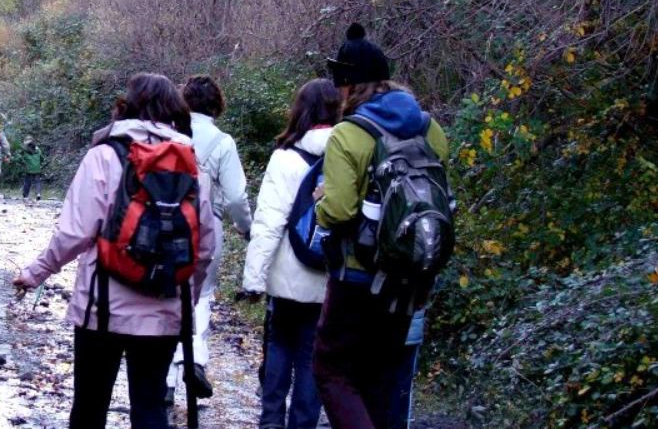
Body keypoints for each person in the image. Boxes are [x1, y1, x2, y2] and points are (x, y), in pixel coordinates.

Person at [13, 73, 217, 429]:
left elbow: (75, 233)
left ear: (128, 104)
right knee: (151, 408)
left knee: (90, 407)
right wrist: (185, 298)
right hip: (163, 311)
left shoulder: (105, 155)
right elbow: (204, 247)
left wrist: (35, 273)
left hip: (101, 308)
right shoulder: (190, 164)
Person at [313, 23, 449, 428]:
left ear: (347, 85)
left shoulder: (350, 134)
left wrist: (320, 203)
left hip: (358, 274)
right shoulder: (429, 127)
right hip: (412, 273)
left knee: (331, 369)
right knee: (380, 375)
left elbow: (337, 212)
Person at [242, 78, 342, 429]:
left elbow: (269, 222)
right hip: (330, 274)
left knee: (280, 346)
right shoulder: (349, 155)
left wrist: (253, 280)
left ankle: (271, 422)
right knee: (313, 356)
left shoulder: (286, 156)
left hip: (288, 274)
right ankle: (304, 425)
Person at [165, 75, 253, 404]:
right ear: (217, 104)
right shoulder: (222, 141)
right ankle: (195, 359)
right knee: (201, 296)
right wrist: (246, 229)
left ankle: (167, 379)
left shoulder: (169, 134)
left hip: (166, 225)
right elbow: (235, 197)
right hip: (207, 227)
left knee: (168, 297)